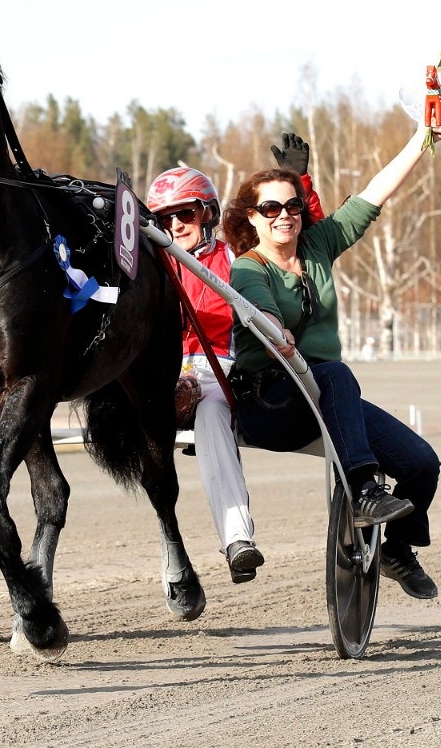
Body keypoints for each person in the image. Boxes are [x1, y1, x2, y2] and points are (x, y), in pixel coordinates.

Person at [223, 123, 441, 600]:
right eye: (270, 208)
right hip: (272, 405)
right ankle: (366, 489)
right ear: (253, 218)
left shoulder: (319, 247)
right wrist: (272, 331)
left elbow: (373, 194)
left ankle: (397, 551)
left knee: (422, 463)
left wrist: (423, 137)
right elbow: (258, 309)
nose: (284, 215)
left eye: (292, 205)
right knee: (335, 373)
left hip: (326, 398)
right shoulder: (246, 266)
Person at [144, 135, 323, 584]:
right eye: (164, 219)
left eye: (185, 214)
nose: (175, 227)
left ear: (207, 213)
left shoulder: (238, 260)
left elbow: (299, 238)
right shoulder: (150, 269)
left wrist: (299, 183)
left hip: (225, 372)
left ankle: (237, 539)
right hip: (162, 374)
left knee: (208, 413)